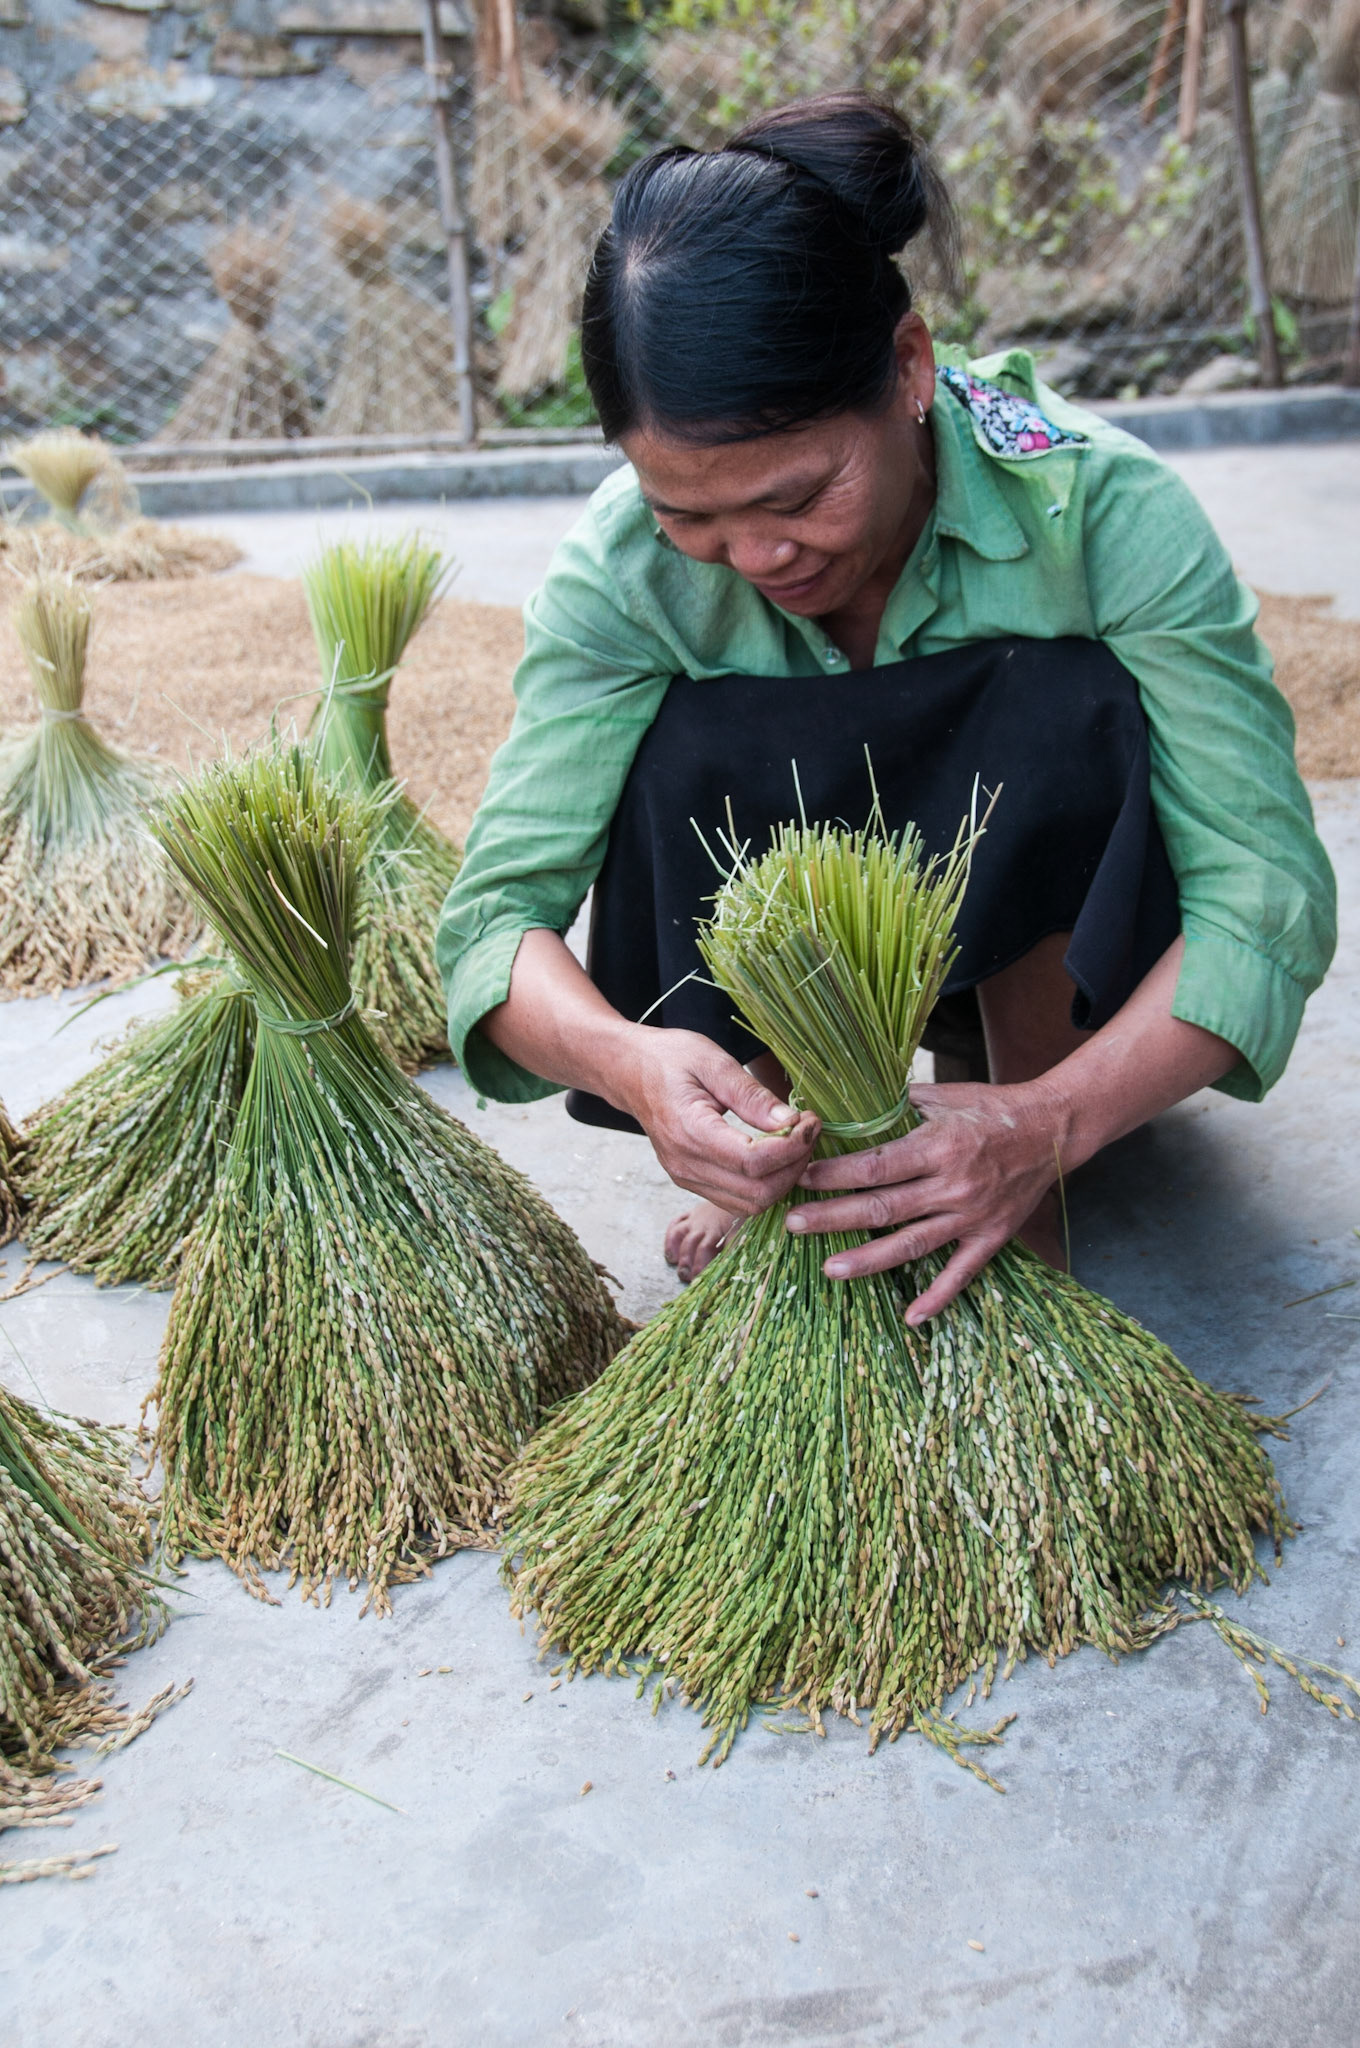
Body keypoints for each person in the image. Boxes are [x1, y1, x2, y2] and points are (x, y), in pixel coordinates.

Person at [436, 92, 1335, 1326]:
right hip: (789, 988)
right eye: (689, 515)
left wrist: (1050, 1117)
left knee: (1066, 704)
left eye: (798, 495)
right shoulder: (622, 573)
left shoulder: (1096, 510)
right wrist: (633, 1065)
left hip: (1043, 966)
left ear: (909, 369)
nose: (754, 554)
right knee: (673, 743)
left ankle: (1020, 1161)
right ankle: (777, 1155)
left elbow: (1264, 890)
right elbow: (493, 921)